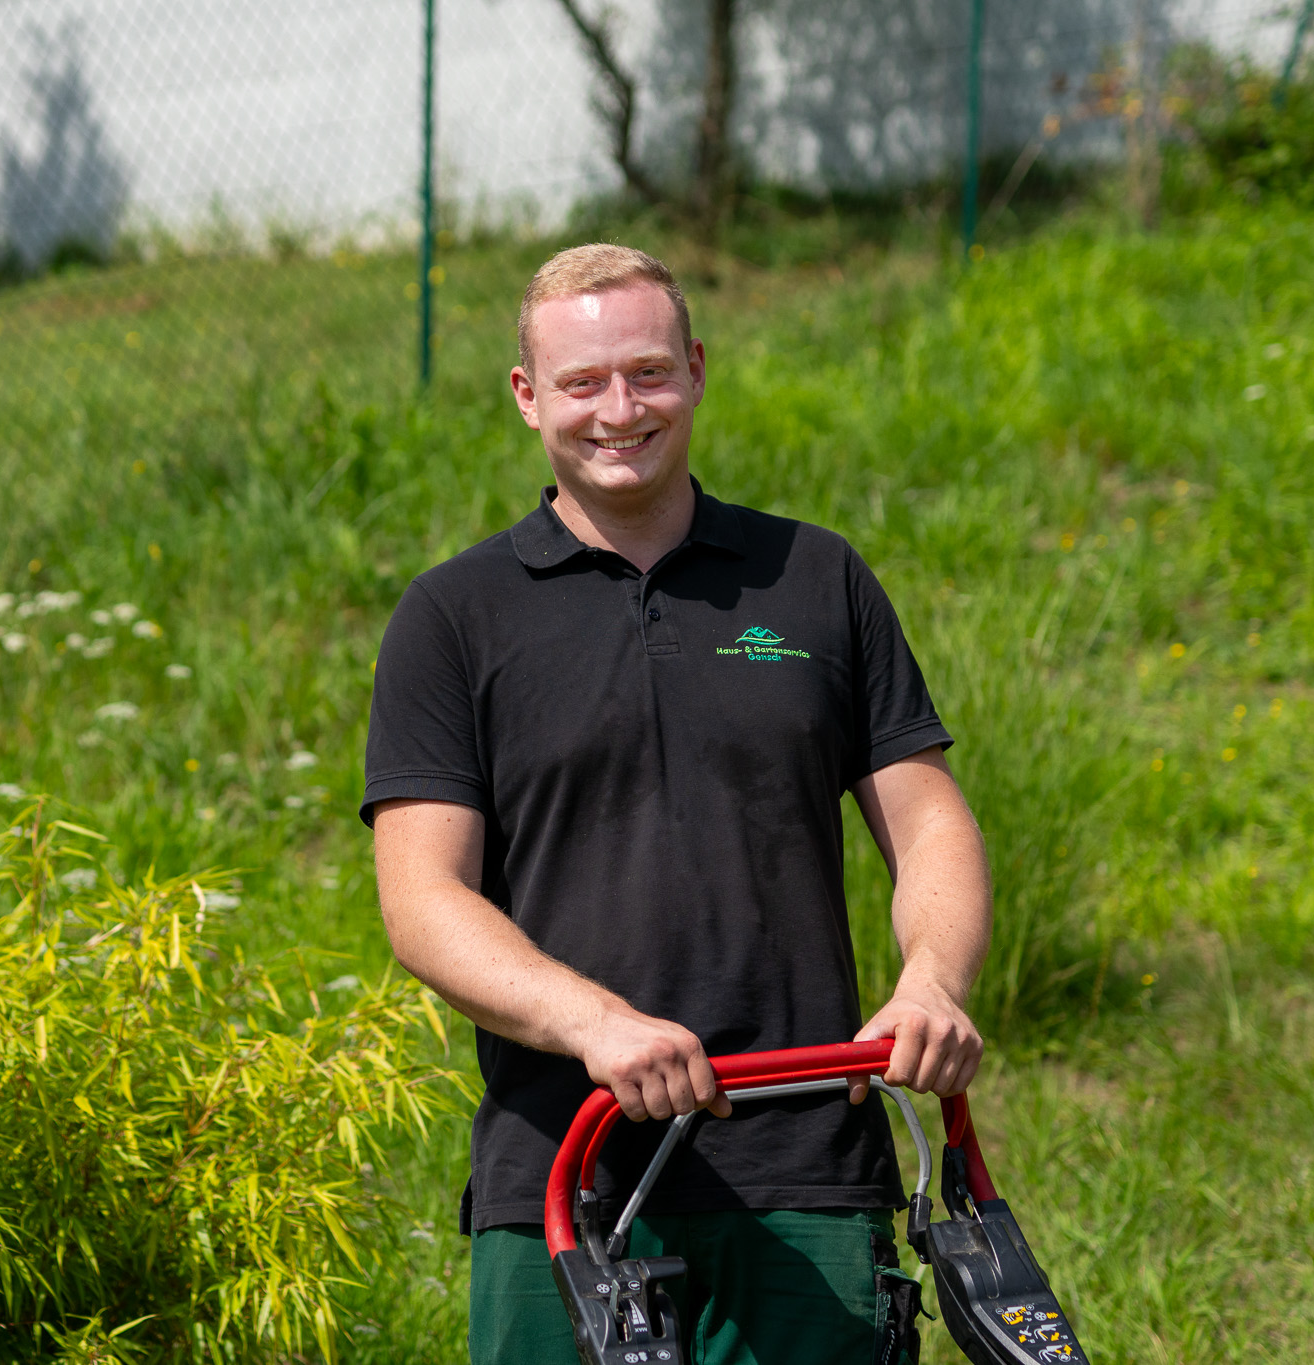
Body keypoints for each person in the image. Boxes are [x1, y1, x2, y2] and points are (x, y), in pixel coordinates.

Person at [361, 244, 991, 1365]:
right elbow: (420, 900)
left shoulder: (813, 576)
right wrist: (593, 1026)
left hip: (806, 1164)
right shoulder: (452, 616)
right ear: (525, 398)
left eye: (646, 372)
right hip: (562, 1182)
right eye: (581, 382)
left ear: (695, 370)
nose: (618, 409)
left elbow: (928, 818)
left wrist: (929, 983)